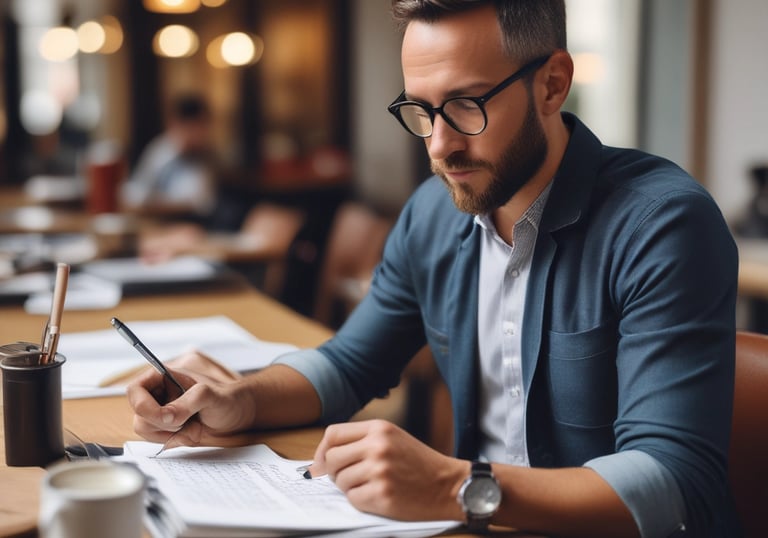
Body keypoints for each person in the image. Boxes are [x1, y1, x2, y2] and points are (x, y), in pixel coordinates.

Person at [128, 1, 740, 536]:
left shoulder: (662, 225)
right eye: (421, 111)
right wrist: (241, 398)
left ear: (553, 84)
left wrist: (454, 486)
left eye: (466, 105)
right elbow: (348, 363)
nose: (440, 145)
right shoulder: (432, 213)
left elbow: (673, 482)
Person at [121, 93, 218, 219]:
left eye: (201, 127)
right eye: (189, 127)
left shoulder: (205, 157)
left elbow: (198, 203)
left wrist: (150, 204)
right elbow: (138, 188)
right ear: (174, 123)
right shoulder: (161, 148)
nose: (196, 135)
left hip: (190, 223)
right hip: (153, 222)